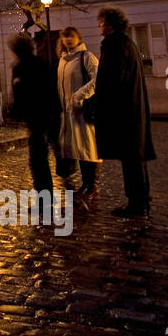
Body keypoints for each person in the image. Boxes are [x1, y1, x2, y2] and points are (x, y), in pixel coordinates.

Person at [93, 6, 157, 217]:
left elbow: (113, 80)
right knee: (134, 158)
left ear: (110, 25)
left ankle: (137, 203)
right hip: (130, 110)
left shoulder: (115, 45)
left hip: (124, 112)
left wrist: (99, 103)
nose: (100, 27)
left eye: (102, 23)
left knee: (131, 159)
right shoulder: (126, 43)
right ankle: (141, 199)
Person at [8, 33, 62, 197]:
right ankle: (64, 186)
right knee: (54, 154)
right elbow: (54, 89)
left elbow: (20, 95)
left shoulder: (20, 68)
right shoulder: (43, 64)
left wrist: (16, 112)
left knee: (38, 160)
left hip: (37, 118)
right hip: (50, 115)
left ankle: (45, 197)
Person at [57, 26, 101, 203]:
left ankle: (92, 186)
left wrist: (79, 96)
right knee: (79, 149)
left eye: (71, 36)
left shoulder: (86, 57)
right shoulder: (63, 60)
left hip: (84, 111)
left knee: (89, 148)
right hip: (68, 113)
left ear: (78, 38)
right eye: (65, 37)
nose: (68, 40)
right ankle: (85, 184)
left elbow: (98, 79)